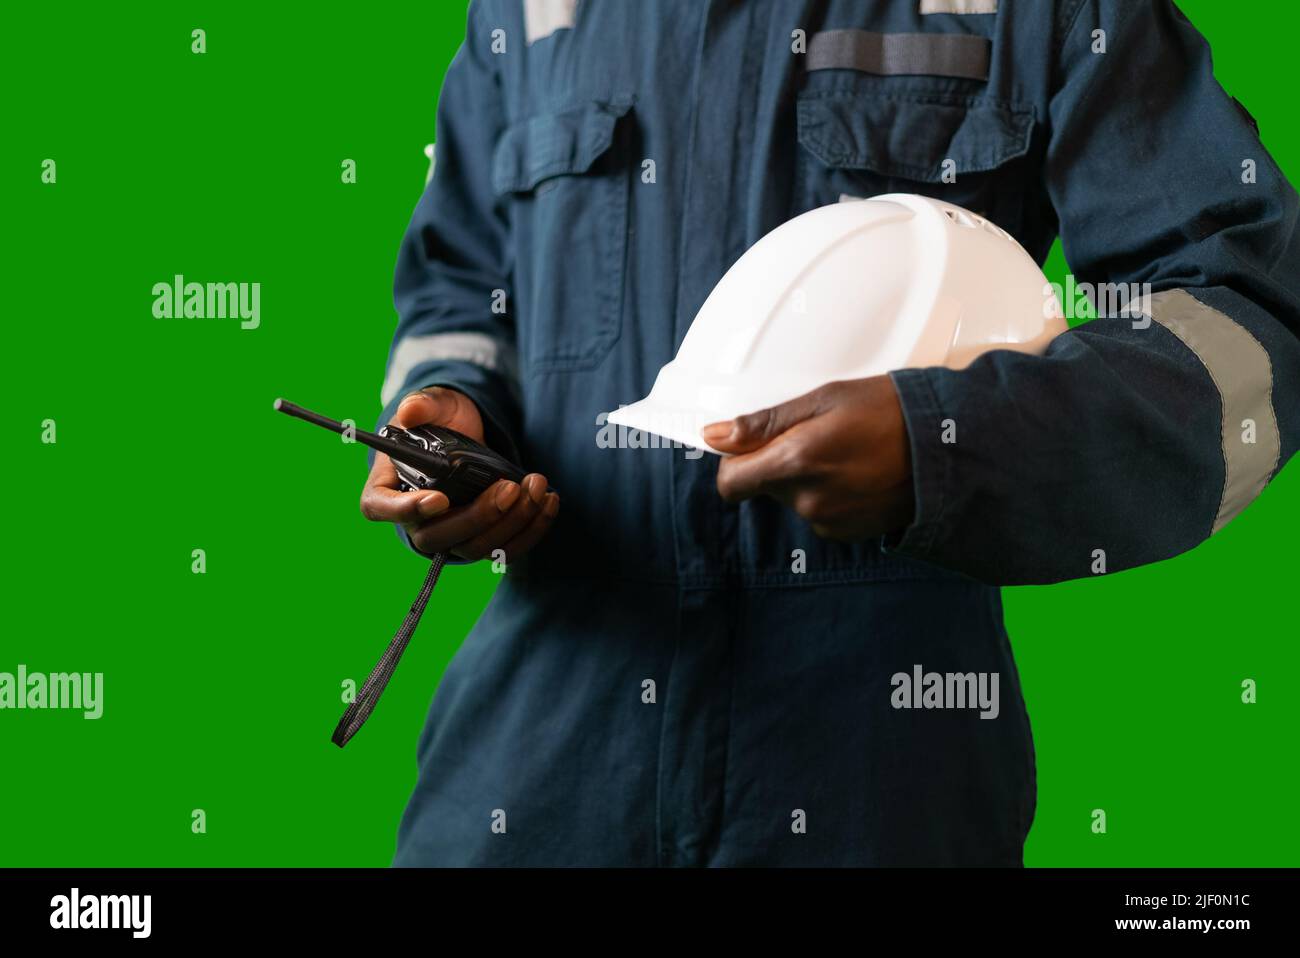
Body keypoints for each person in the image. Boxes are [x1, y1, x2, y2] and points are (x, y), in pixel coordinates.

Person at [359, 0, 1299, 866]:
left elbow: (1247, 315)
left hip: (879, 765)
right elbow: (463, 292)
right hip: (536, 768)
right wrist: (454, 421)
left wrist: (947, 445)